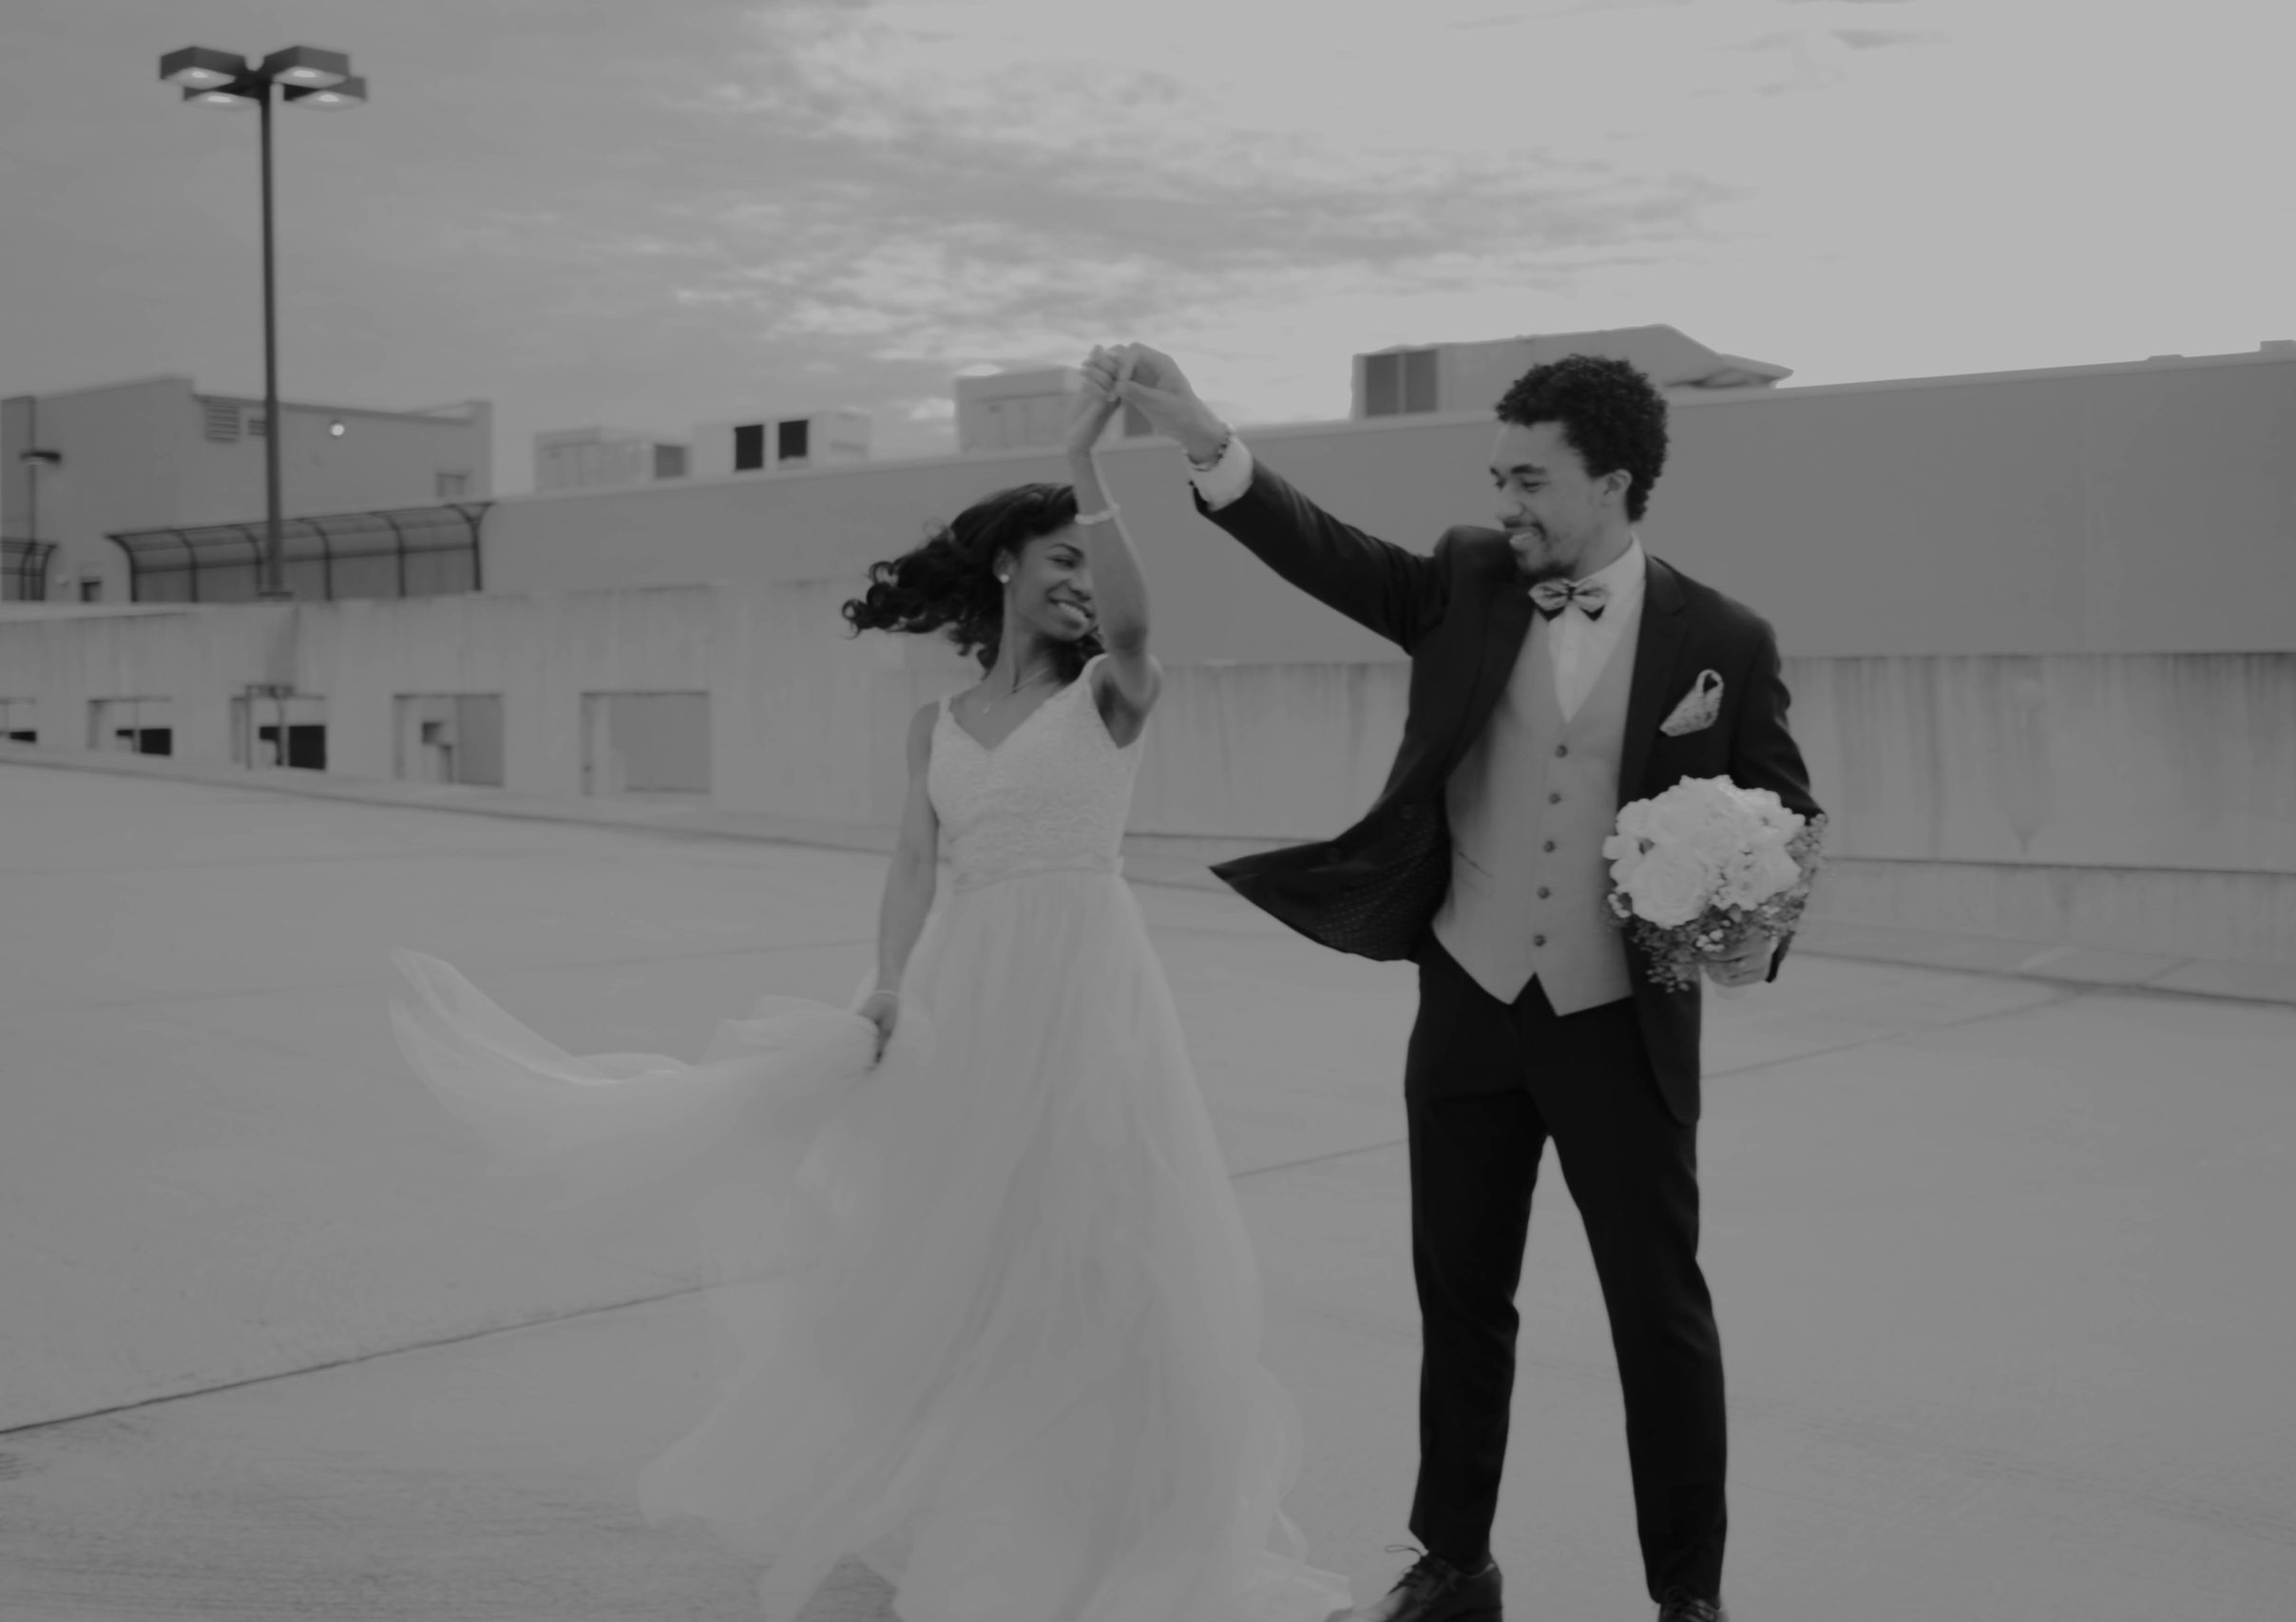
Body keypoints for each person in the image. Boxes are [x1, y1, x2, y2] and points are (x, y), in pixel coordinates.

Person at [389, 350, 1349, 1622]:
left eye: (1088, 560)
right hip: (964, 989)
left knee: (1098, 1251)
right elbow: (913, 861)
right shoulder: (937, 725)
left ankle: (1109, 1522)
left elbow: (1134, 621)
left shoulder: (1115, 697)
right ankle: (986, 1501)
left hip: (1084, 994)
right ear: (1008, 569)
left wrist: (1084, 470)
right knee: (959, 1254)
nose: (1078, 583)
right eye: (1057, 557)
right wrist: (889, 986)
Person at [1100, 342, 1824, 1622]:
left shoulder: (1725, 638)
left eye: (1532, 478)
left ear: (1611, 480)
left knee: (1660, 1319)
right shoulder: (1468, 585)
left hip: (1619, 1030)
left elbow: (1783, 816)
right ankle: (1456, 1564)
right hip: (1471, 1008)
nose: (1509, 501)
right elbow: (1326, 551)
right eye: (1499, 475)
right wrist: (1203, 437)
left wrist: (1732, 907)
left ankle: (1688, 1596)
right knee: (1462, 1297)